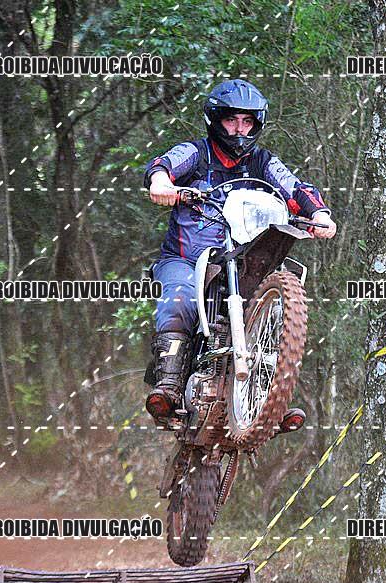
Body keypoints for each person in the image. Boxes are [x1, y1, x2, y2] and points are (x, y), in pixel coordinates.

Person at [143, 79, 337, 419]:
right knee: (180, 298)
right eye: (232, 120)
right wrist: (161, 183)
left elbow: (294, 187)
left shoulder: (262, 162)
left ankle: (270, 400)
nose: (239, 130)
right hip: (187, 259)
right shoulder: (196, 153)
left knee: (278, 304)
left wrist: (318, 213)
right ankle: (169, 385)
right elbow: (163, 166)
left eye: (247, 122)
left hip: (242, 258)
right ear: (216, 120)